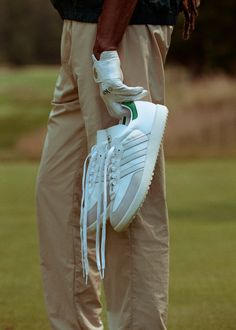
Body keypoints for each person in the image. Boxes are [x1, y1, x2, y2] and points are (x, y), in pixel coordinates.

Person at [36, 1, 199, 329]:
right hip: (80, 24)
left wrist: (107, 44)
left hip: (118, 28)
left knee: (128, 208)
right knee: (58, 194)